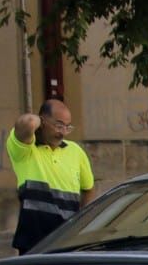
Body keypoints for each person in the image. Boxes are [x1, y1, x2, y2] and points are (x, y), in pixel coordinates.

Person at [8, 99, 95, 253]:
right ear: (42, 122)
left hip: (67, 241)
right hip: (34, 242)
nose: (62, 132)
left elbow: (88, 189)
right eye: (58, 125)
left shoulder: (76, 151)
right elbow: (26, 122)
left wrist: (81, 223)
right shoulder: (25, 150)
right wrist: (36, 121)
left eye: (68, 127)